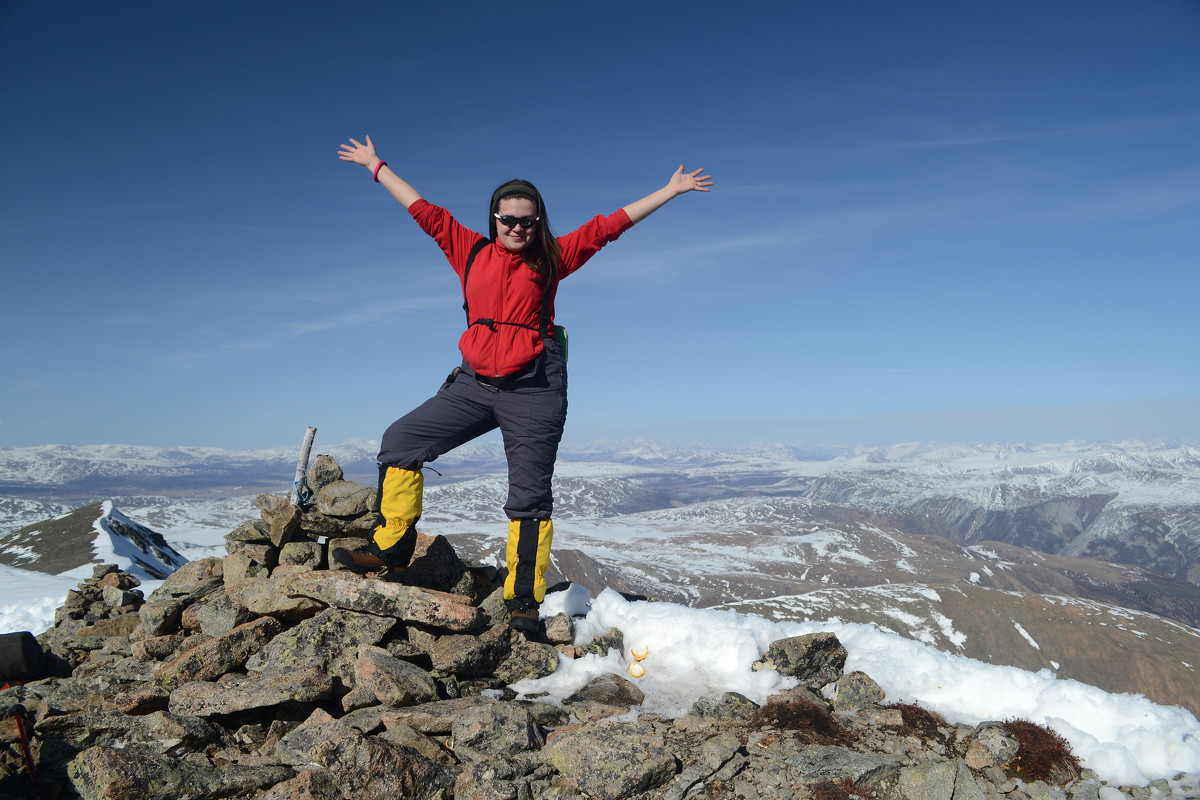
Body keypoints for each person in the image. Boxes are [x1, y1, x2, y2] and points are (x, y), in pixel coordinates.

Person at [333, 134, 713, 635]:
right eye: (507, 219)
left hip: (535, 388)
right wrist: (375, 165)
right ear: (493, 220)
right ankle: (392, 548)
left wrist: (669, 191)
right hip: (473, 384)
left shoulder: (552, 258)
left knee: (529, 498)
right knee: (400, 442)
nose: (516, 227)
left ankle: (522, 600)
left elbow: (607, 228)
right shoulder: (468, 250)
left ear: (539, 222)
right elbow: (421, 209)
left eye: (526, 220)